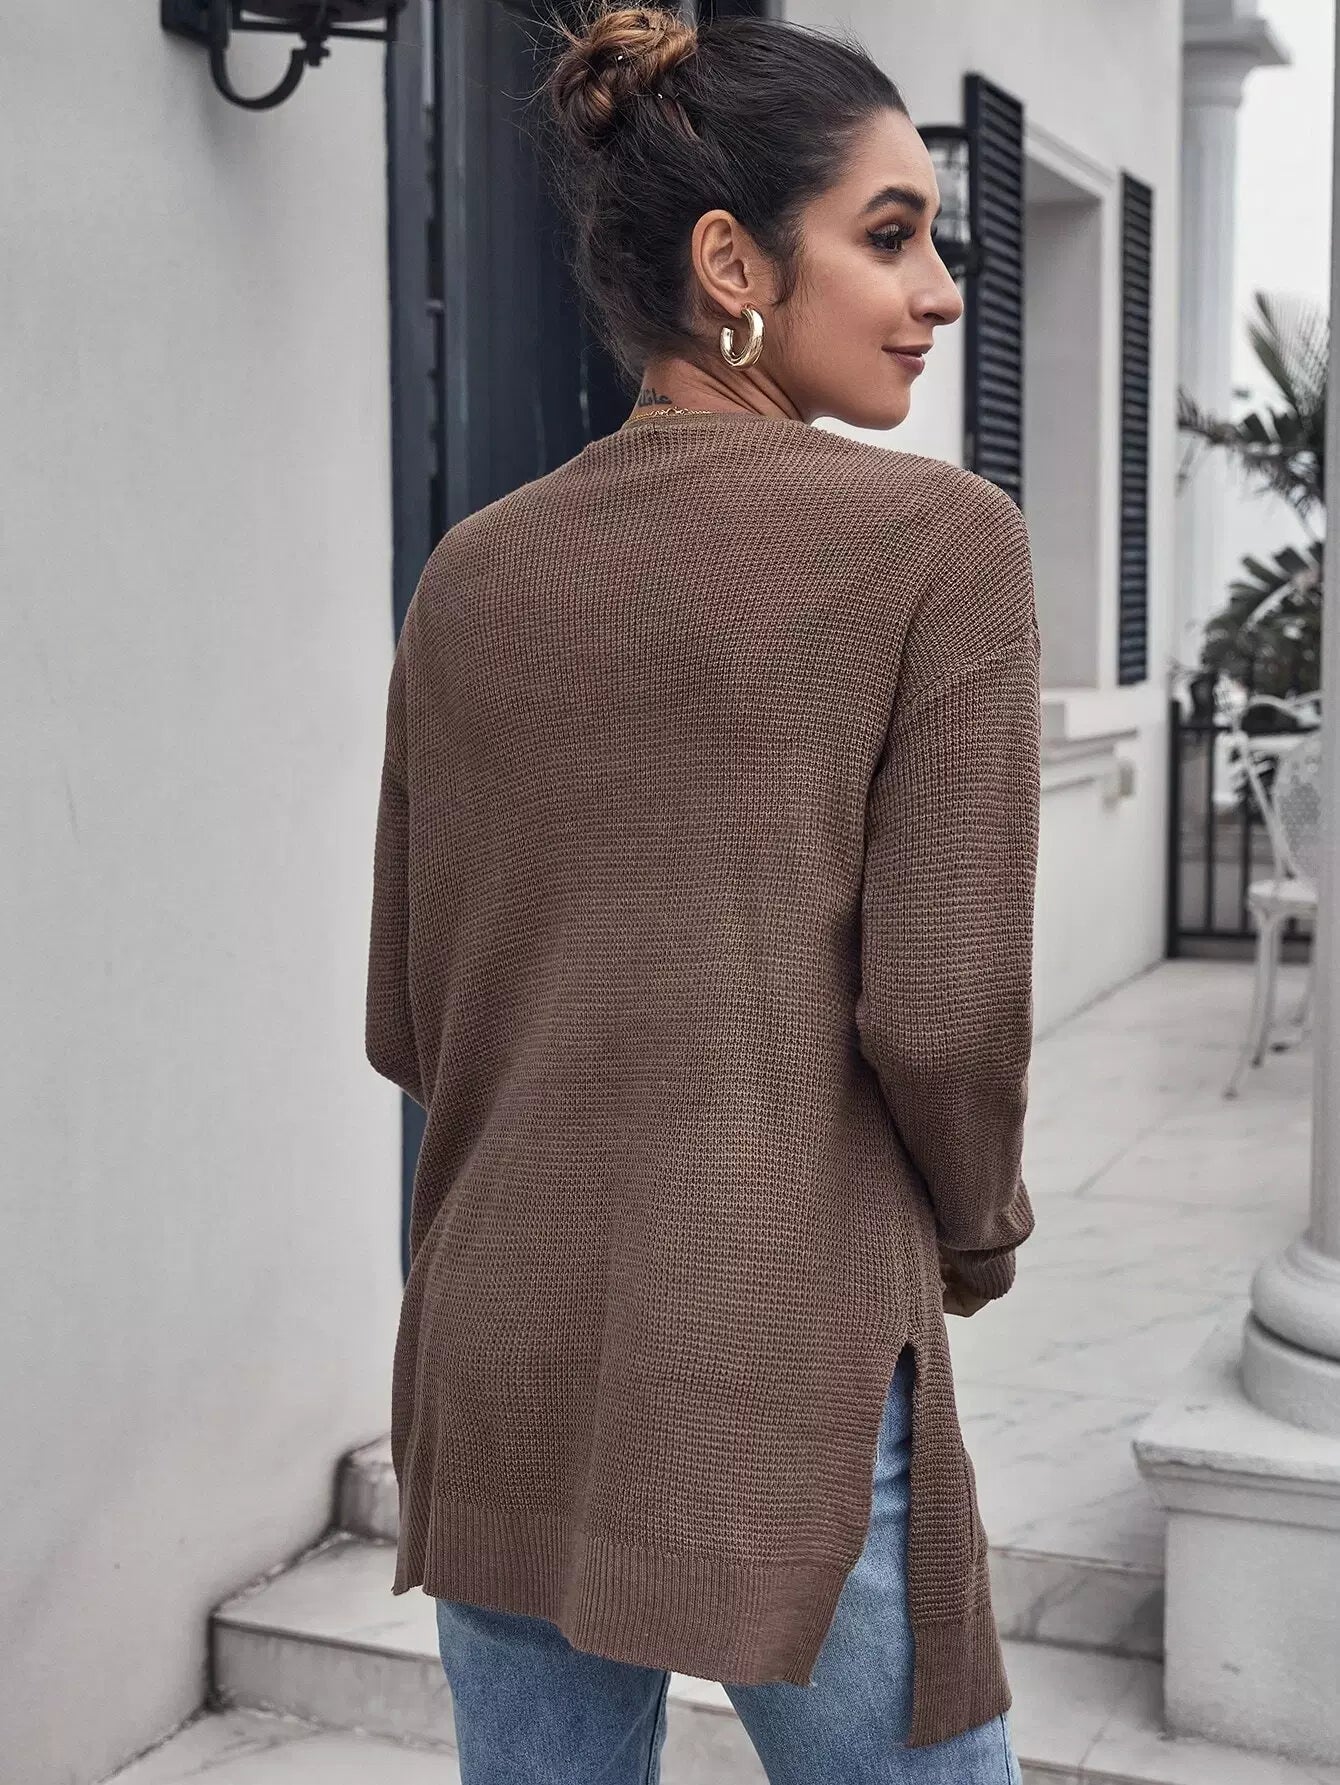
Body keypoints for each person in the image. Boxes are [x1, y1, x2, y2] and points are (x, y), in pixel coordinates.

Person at [364, 5, 1041, 1780]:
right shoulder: (940, 544)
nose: (940, 291)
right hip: (778, 1346)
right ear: (732, 263)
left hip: (495, 1339)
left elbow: (410, 1011)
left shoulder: (470, 574)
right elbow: (945, 1013)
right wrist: (976, 1232)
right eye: (890, 236)